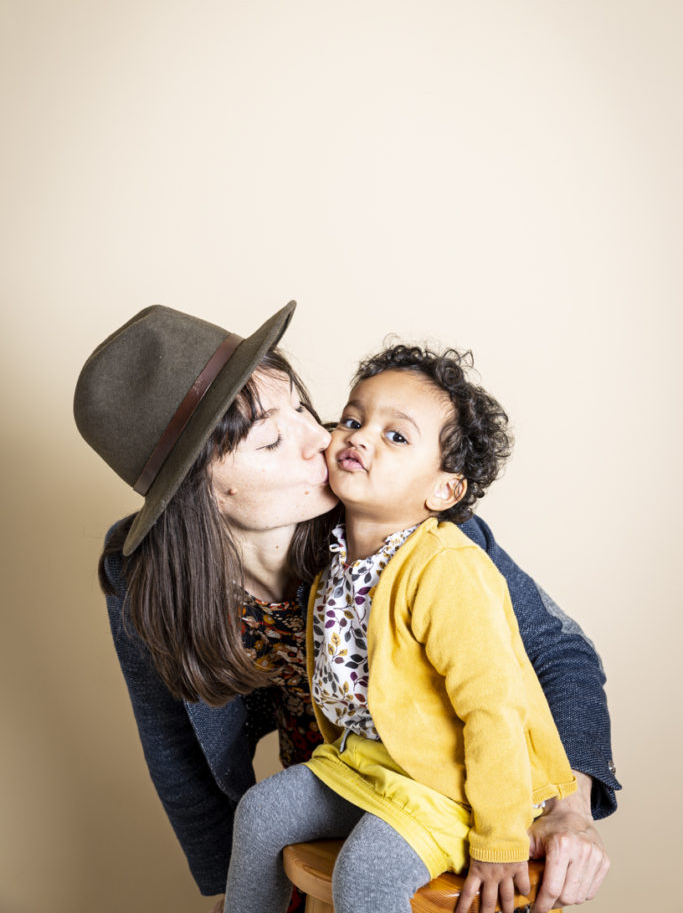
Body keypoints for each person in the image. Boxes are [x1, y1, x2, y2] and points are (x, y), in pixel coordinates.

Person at [73, 302, 619, 913]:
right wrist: (244, 888)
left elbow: (554, 653)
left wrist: (566, 807)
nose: (324, 438)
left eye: (303, 408)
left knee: (370, 872)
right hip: (335, 780)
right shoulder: (144, 575)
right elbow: (176, 752)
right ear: (199, 491)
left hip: (444, 786)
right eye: (274, 438)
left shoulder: (399, 515)